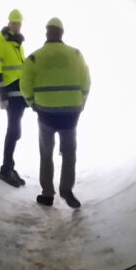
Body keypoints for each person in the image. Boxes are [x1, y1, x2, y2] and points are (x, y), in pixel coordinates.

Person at [20, 17, 91, 208]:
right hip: (70, 114)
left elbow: (25, 84)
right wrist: (81, 102)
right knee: (69, 154)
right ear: (62, 33)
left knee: (46, 154)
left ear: (47, 32)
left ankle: (47, 193)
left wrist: (32, 103)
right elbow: (86, 81)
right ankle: (67, 191)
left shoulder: (35, 57)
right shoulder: (75, 55)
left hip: (46, 114)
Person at [0, 9, 27, 187]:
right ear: (9, 23)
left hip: (19, 94)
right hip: (10, 94)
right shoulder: (0, 42)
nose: (17, 27)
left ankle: (10, 166)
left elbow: (22, 67)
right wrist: (2, 95)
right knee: (13, 131)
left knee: (16, 131)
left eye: (19, 24)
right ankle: (5, 169)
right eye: (15, 24)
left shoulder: (16, 43)